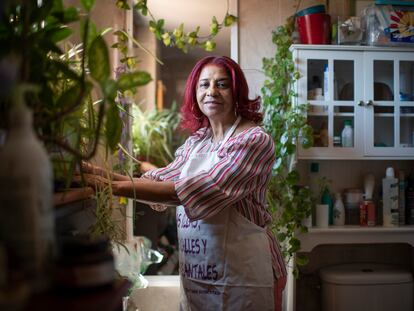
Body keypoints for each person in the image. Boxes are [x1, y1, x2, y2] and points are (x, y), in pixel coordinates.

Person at [82, 56, 287, 311]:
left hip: (246, 276)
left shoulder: (254, 140)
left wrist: (106, 186)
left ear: (236, 92)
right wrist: (95, 172)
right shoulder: (197, 143)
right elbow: (158, 181)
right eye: (204, 85)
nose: (212, 91)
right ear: (195, 92)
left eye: (222, 84)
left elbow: (196, 190)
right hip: (201, 280)